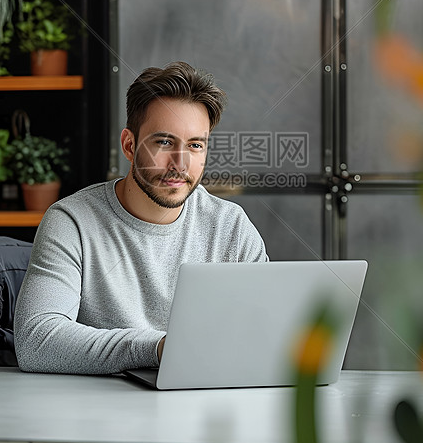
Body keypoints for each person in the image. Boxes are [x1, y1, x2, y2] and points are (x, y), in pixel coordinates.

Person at [14, 61, 269, 375]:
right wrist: (159, 348)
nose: (180, 163)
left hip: (201, 409)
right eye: (164, 142)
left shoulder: (231, 228)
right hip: (96, 413)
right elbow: (37, 342)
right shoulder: (72, 222)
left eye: (195, 145)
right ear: (129, 145)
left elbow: (264, 337)